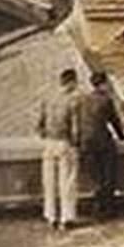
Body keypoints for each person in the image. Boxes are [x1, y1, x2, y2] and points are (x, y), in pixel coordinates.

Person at [79, 71, 124, 220]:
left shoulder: (84, 99)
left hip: (86, 142)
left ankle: (97, 206)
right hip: (102, 141)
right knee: (108, 175)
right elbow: (114, 121)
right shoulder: (106, 100)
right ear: (104, 84)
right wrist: (122, 136)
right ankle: (108, 208)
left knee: (96, 176)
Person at [38, 68, 82, 230]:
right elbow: (75, 129)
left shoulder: (48, 99)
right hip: (65, 143)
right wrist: (76, 144)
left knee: (49, 182)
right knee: (67, 182)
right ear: (71, 82)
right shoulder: (72, 101)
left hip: (49, 142)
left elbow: (39, 125)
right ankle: (66, 218)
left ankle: (50, 216)